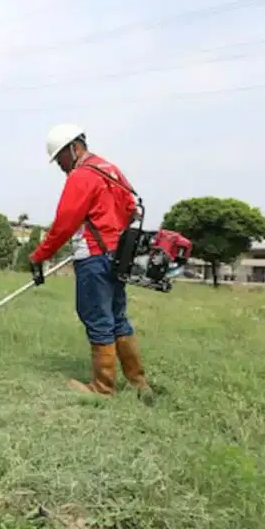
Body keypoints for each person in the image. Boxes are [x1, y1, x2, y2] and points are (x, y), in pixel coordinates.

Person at [28, 123, 153, 402]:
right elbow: (132, 210)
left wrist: (39, 255)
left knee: (97, 318)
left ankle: (102, 388)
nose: (60, 165)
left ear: (74, 148)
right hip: (118, 256)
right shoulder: (111, 170)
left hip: (94, 257)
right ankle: (138, 382)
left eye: (60, 157)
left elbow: (64, 224)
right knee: (117, 317)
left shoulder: (81, 176)